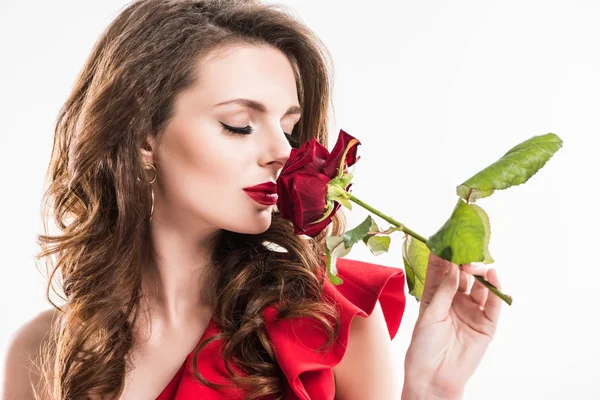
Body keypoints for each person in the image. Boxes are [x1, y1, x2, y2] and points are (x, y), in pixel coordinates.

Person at [2, 0, 502, 399]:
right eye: (238, 125)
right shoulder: (43, 351)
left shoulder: (328, 327)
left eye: (289, 127)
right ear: (143, 137)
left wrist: (432, 390)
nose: (283, 154)